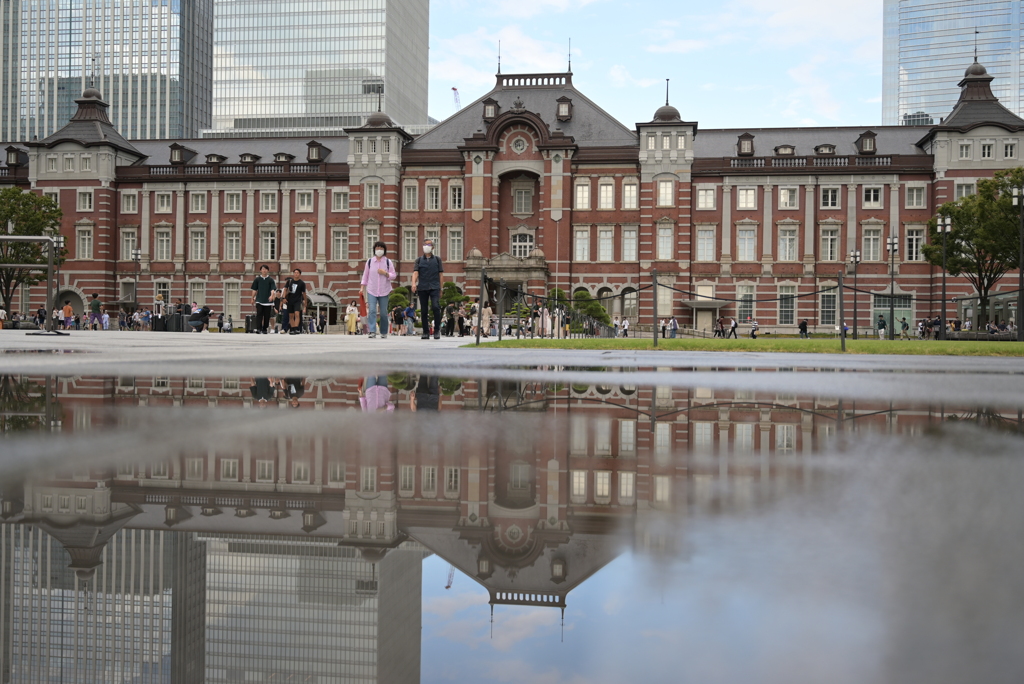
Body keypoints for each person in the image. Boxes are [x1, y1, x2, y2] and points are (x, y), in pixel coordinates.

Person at [360, 240, 397, 339]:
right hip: (372, 289)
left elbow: (394, 275)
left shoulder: (388, 262)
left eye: (381, 248)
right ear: (374, 250)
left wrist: (385, 273)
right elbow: (365, 275)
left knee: (384, 312)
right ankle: (372, 331)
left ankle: (383, 331)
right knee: (372, 310)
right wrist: (362, 287)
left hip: (384, 290)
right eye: (377, 248)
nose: (379, 250)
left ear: (384, 250)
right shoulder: (370, 262)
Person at [411, 239, 444, 339]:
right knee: (424, 310)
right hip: (423, 287)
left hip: (434, 286)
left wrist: (441, 288)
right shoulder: (419, 260)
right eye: (424, 244)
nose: (426, 246)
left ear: (433, 247)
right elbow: (415, 272)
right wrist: (413, 283)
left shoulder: (437, 260)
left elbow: (441, 274)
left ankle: (437, 330)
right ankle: (425, 332)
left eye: (428, 244)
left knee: (435, 307)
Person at [250, 264, 277, 334]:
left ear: (267, 270)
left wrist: (271, 296)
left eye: (265, 269)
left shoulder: (270, 280)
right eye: (263, 269)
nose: (264, 270)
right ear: (260, 270)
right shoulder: (257, 279)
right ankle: (258, 328)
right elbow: (254, 289)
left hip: (268, 301)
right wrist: (252, 298)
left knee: (267, 315)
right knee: (259, 314)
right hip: (259, 300)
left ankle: (265, 328)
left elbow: (272, 289)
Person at [283, 269, 307, 335]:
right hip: (290, 300)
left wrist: (305, 301)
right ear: (293, 274)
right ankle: (292, 328)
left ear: (300, 274)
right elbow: (285, 289)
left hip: (298, 300)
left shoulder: (302, 283)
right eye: (295, 273)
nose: (296, 274)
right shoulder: (290, 281)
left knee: (297, 314)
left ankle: (296, 328)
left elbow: (304, 293)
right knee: (291, 315)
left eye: (297, 273)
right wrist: (284, 298)